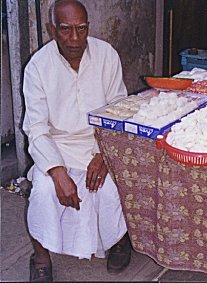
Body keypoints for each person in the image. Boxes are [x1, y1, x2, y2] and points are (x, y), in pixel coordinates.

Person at [22, 0, 131, 281]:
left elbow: (119, 110)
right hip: (56, 148)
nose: (74, 38)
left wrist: (104, 154)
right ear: (52, 29)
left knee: (110, 189)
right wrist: (56, 171)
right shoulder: (38, 67)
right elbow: (35, 127)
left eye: (81, 29)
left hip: (97, 144)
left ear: (88, 28)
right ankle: (41, 257)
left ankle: (118, 241)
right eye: (66, 29)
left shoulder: (106, 55)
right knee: (44, 190)